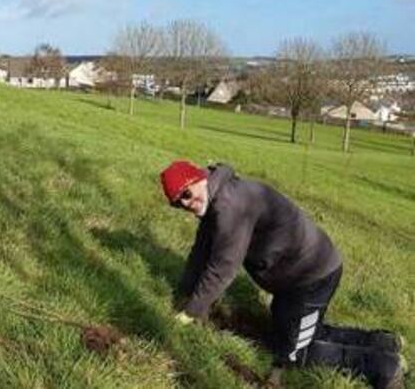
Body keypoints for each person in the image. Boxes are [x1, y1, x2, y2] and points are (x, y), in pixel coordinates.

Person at [160, 160, 405, 389]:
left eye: (186, 194)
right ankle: (383, 343)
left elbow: (223, 267)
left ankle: (384, 367)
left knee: (296, 354)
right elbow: (200, 253)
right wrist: (184, 293)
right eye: (177, 203)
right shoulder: (215, 199)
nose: (185, 204)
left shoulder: (230, 205)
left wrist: (191, 312)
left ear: (198, 179)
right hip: (292, 280)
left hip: (311, 275)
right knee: (291, 334)